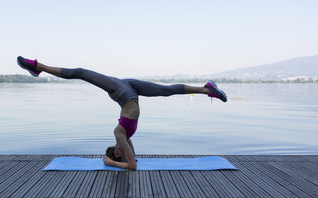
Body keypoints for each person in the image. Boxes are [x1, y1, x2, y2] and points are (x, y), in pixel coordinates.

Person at [17, 56, 227, 170]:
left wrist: (110, 162)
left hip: (121, 92)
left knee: (81, 73)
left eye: (117, 153)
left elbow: (130, 163)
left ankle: (38, 67)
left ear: (116, 150)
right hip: (129, 90)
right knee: (167, 90)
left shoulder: (119, 134)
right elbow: (133, 162)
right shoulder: (124, 137)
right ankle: (206, 89)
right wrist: (116, 161)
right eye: (120, 154)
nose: (121, 152)